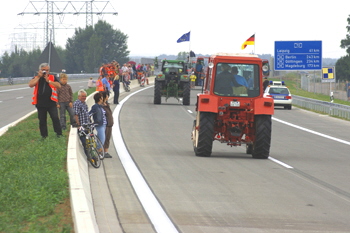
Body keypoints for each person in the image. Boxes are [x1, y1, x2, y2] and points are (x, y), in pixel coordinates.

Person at [29, 63, 62, 139]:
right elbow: (30, 84)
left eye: (47, 70)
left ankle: (59, 134)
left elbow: (59, 85)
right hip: (40, 103)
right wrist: (39, 77)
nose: (45, 72)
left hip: (51, 102)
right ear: (40, 70)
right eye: (44, 70)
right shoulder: (37, 77)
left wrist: (49, 81)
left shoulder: (52, 77)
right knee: (42, 120)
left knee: (55, 118)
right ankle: (44, 136)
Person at [73, 89, 90, 156]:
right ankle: (88, 156)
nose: (84, 97)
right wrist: (78, 125)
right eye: (82, 96)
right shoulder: (77, 103)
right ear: (78, 97)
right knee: (84, 142)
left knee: (89, 141)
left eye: (85, 96)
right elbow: (75, 115)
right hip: (81, 126)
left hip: (86, 125)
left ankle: (92, 154)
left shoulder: (84, 103)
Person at [100, 91, 113, 158]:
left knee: (107, 138)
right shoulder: (101, 106)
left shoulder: (106, 104)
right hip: (105, 125)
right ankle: (101, 151)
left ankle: (106, 151)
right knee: (103, 138)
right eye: (107, 96)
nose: (108, 97)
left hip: (109, 124)